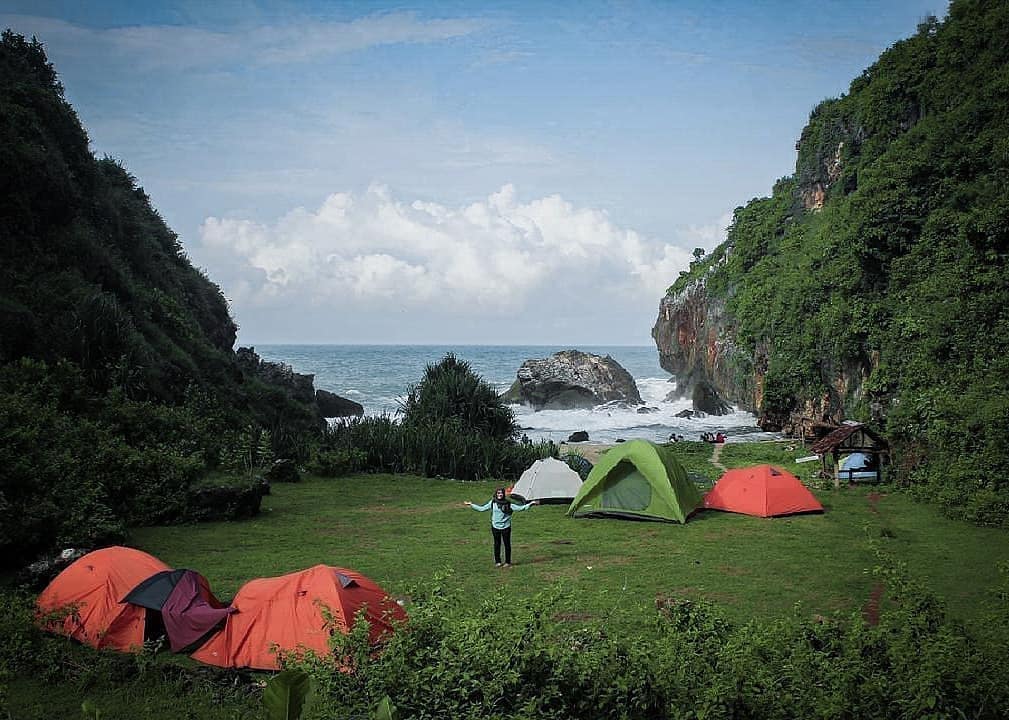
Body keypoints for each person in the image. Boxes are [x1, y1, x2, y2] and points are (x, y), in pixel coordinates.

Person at [464, 488, 537, 567]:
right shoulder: (492, 503)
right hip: (495, 527)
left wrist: (530, 504)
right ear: (496, 494)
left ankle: (507, 562)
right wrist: (471, 504)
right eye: (498, 493)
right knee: (497, 544)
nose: (500, 495)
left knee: (507, 545)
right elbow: (482, 509)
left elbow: (520, 508)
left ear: (503, 494)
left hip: (506, 527)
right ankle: (498, 562)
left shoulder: (508, 504)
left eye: (501, 493)